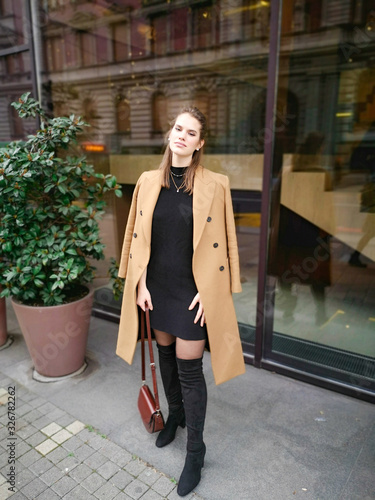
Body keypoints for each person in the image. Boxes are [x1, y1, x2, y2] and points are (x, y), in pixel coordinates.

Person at [116, 106, 245, 496]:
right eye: (178, 129)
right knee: (165, 356)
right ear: (170, 134)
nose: (182, 136)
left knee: (191, 371)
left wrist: (214, 295)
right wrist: (138, 284)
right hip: (155, 288)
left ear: (200, 143)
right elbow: (134, 237)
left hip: (192, 295)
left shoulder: (215, 185)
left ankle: (196, 451)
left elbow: (227, 246)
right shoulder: (147, 181)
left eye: (191, 132)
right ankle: (175, 415)